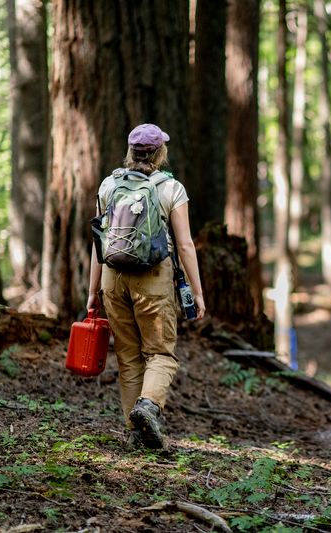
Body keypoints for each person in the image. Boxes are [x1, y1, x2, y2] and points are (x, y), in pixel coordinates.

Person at [86, 123, 206, 450]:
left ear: (131, 151)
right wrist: (196, 292)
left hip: (113, 279)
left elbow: (99, 244)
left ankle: (136, 434)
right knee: (161, 353)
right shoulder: (171, 189)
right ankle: (149, 405)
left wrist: (91, 292)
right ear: (160, 151)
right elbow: (184, 246)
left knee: (128, 357)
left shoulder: (109, 185)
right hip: (153, 277)